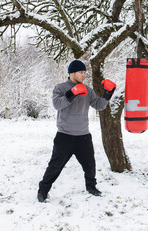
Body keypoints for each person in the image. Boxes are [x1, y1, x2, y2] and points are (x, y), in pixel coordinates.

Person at [37, 59, 116, 202]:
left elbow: (99, 105)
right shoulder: (60, 88)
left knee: (90, 165)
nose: (83, 75)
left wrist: (108, 94)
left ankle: (91, 187)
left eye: (84, 73)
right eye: (81, 72)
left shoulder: (87, 90)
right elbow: (57, 104)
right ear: (72, 73)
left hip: (83, 136)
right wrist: (72, 93)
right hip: (65, 136)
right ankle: (43, 191)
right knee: (55, 166)